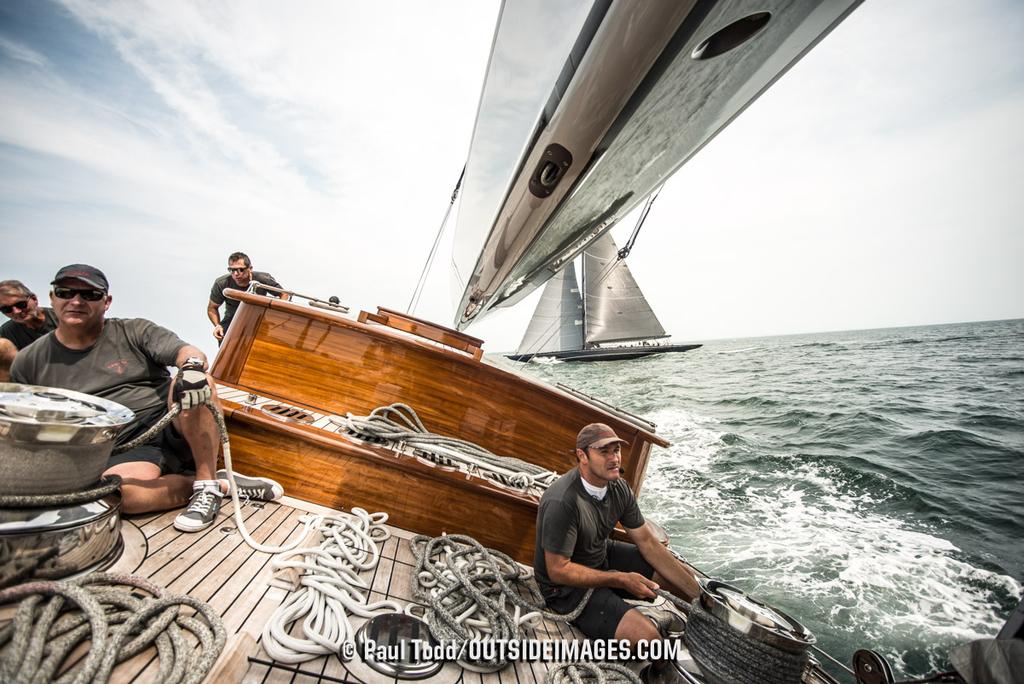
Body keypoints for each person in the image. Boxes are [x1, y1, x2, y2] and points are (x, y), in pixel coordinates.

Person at [10, 264, 283, 532]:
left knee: (195, 380)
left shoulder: (134, 331)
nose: (76, 301)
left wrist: (191, 366)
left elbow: (188, 351)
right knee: (120, 497)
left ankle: (206, 484)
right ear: (52, 297)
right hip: (118, 446)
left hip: (170, 424)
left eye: (90, 295)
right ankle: (219, 484)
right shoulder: (28, 362)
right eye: (66, 292)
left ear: (107, 302)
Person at [534, 423, 702, 645]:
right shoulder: (562, 501)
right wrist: (619, 579)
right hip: (564, 589)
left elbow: (648, 543)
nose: (614, 459)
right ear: (582, 455)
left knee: (676, 577)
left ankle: (701, 633)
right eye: (604, 452)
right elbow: (558, 571)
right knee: (650, 641)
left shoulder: (619, 488)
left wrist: (700, 599)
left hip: (601, 558)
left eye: (616, 450)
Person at [207, 252, 286, 342]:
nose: (236, 274)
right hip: (232, 321)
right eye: (232, 270)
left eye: (241, 270)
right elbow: (212, 308)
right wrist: (217, 326)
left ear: (250, 269)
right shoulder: (222, 283)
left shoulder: (262, 278)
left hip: (259, 321)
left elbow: (284, 294)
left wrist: (275, 316)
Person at [0, 279, 59, 381]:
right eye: (7, 309)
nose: (16, 312)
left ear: (34, 299)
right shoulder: (7, 333)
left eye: (21, 304)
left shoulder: (62, 319)